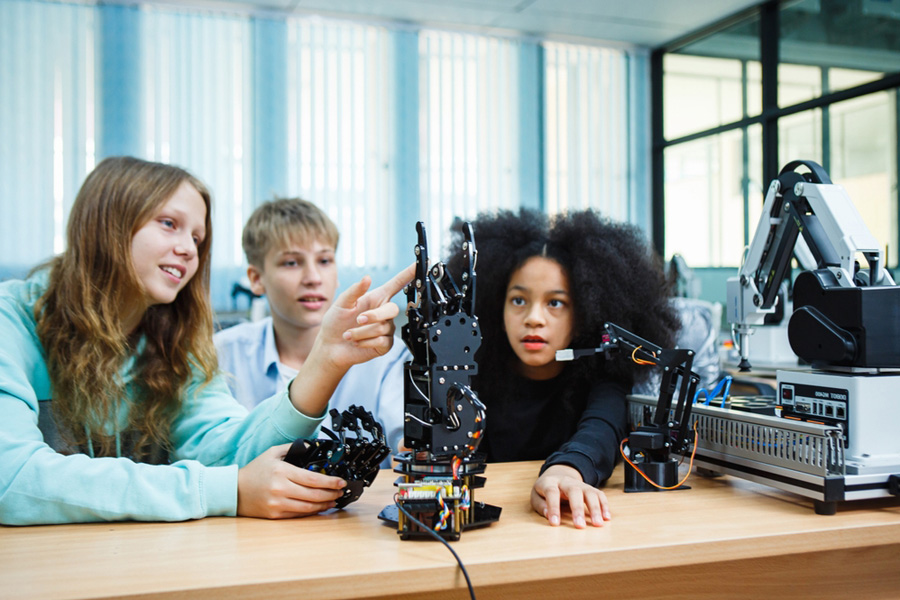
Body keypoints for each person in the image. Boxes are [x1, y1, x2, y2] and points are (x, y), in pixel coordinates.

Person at [0, 156, 413, 525]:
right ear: (106, 223)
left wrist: (327, 359)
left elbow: (230, 452)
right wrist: (222, 491)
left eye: (197, 238)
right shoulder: (10, 320)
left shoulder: (173, 343)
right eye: (169, 224)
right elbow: (11, 475)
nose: (187, 250)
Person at [447, 209, 678, 529]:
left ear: (584, 311)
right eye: (518, 300)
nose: (534, 318)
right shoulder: (471, 372)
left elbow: (603, 428)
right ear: (495, 304)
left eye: (555, 303)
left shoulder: (604, 370)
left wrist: (566, 471)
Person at [214, 198, 408, 463]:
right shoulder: (221, 355)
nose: (313, 277)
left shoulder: (386, 354)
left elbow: (405, 445)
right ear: (256, 279)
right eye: (292, 263)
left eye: (325, 260)